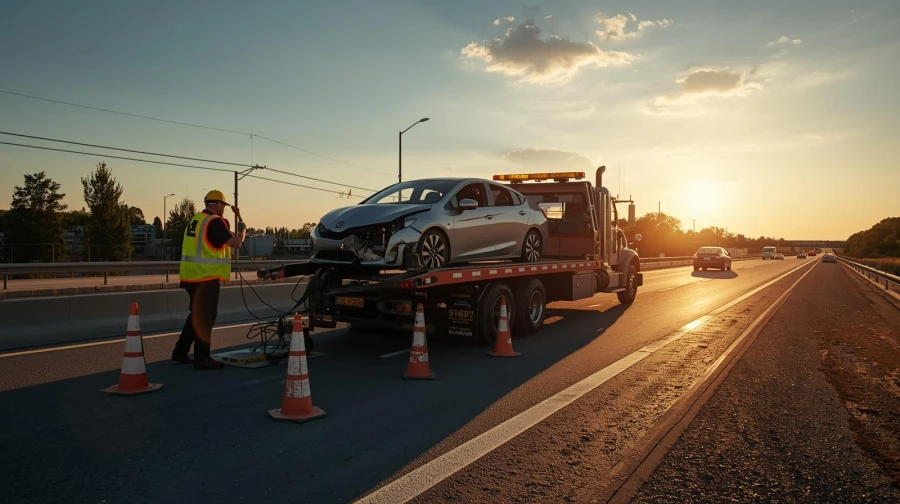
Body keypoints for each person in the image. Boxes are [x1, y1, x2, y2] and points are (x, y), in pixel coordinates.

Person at [172, 190, 247, 370]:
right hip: (205, 277)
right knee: (206, 317)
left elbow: (221, 237)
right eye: (224, 207)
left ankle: (180, 352)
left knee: (196, 315)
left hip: (190, 276)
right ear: (218, 205)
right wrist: (243, 227)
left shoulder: (196, 219)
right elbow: (236, 243)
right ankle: (202, 357)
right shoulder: (214, 222)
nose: (224, 210)